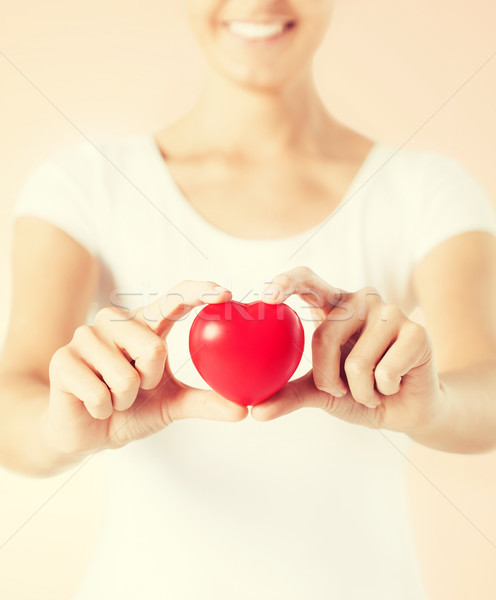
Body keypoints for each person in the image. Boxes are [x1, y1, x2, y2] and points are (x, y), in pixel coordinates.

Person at [1, 1, 496, 598]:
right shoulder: (84, 183)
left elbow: (486, 388)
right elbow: (15, 400)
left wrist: (435, 405)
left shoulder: (426, 190)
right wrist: (61, 428)